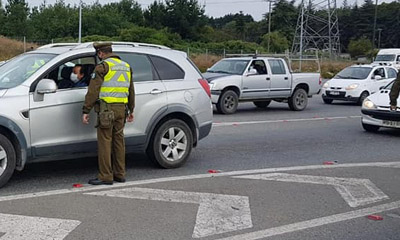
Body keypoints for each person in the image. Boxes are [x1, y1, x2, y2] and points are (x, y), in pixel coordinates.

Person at [82, 42, 135, 185]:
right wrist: (131, 109)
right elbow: (131, 90)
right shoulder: (126, 66)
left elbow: (93, 91)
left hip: (106, 110)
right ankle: (120, 174)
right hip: (122, 110)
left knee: (105, 142)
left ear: (101, 53)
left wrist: (86, 110)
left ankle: (105, 176)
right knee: (119, 141)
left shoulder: (103, 66)